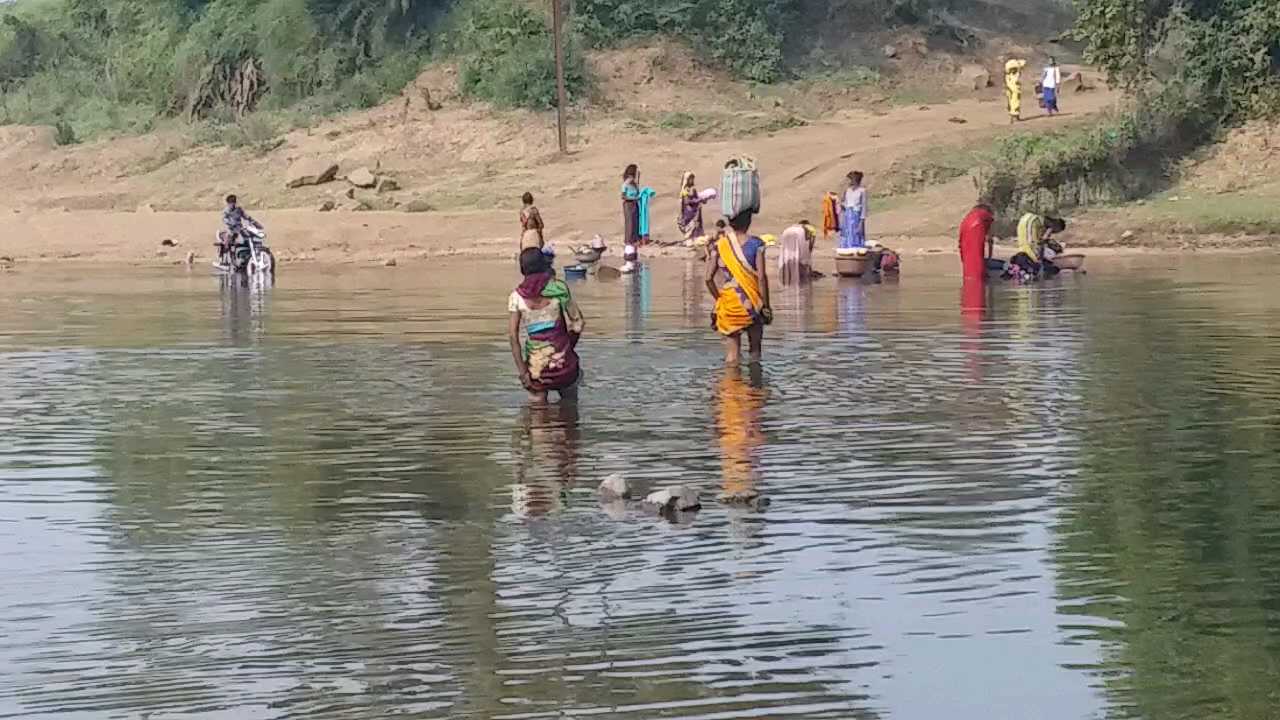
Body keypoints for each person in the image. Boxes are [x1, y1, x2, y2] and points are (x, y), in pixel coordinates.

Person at [508, 248, 585, 402]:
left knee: (536, 414)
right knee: (570, 413)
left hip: (537, 371)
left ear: (523, 269)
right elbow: (578, 323)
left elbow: (513, 337)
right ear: (544, 264)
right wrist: (567, 348)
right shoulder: (559, 288)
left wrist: (524, 373)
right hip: (565, 367)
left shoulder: (516, 297)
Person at [706, 210, 771, 365]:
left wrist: (719, 299)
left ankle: (730, 387)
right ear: (748, 222)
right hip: (752, 302)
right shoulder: (757, 244)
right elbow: (761, 277)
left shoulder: (719, 245)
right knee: (755, 351)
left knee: (732, 356)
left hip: (729, 303)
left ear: (729, 222)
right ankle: (755, 385)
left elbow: (708, 279)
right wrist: (766, 306)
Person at [1009, 213, 1067, 278]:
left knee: (1032, 253)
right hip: (1029, 221)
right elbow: (1037, 244)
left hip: (1026, 223)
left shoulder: (1040, 228)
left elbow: (1039, 244)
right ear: (1056, 226)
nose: (1053, 233)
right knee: (1037, 259)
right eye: (1056, 231)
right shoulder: (1039, 223)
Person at [958, 204, 995, 281]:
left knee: (968, 255)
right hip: (977, 224)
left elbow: (961, 246)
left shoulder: (969, 216)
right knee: (977, 255)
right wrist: (989, 259)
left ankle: (969, 276)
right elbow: (990, 239)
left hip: (965, 224)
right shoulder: (986, 215)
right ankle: (978, 277)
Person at [220, 194, 258, 261]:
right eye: (231, 203)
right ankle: (225, 257)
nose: (232, 204)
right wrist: (230, 223)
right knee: (229, 238)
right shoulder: (226, 211)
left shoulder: (239, 209)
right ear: (228, 203)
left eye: (233, 202)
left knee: (248, 237)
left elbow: (246, 216)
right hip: (230, 229)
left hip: (239, 228)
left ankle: (249, 254)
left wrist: (254, 222)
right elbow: (224, 219)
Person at [839, 171, 868, 249]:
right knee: (846, 234)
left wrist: (861, 222)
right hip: (847, 216)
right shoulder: (848, 190)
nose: (851, 181)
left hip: (856, 216)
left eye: (852, 179)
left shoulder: (862, 191)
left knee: (857, 234)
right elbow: (844, 203)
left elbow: (864, 207)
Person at [677, 171, 707, 243]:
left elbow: (696, 198)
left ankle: (697, 239)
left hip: (695, 212)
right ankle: (690, 240)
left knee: (697, 227)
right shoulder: (685, 190)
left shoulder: (693, 189)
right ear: (687, 180)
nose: (692, 180)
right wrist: (698, 200)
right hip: (688, 213)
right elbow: (687, 201)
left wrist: (702, 200)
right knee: (691, 227)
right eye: (690, 179)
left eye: (693, 179)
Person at [621, 164, 641, 256]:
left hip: (635, 204)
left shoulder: (635, 184)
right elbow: (623, 196)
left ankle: (634, 241)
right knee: (630, 223)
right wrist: (633, 198)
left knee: (635, 222)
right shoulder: (626, 183)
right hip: (628, 205)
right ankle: (629, 243)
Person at [1005, 58, 1027, 123]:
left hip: (1015, 88)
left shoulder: (1016, 73)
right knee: (1011, 103)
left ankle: (1015, 117)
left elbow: (1023, 62)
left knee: (1015, 102)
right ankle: (1014, 117)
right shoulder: (1009, 75)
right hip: (1010, 88)